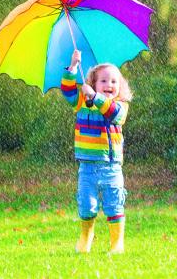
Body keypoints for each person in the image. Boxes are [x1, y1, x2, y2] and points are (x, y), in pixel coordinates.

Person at [61, 49, 132, 254]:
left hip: (111, 166)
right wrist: (73, 67)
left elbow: (113, 114)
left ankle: (117, 243)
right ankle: (86, 236)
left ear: (120, 86)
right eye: (103, 81)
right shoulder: (82, 103)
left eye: (113, 82)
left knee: (113, 203)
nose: (109, 85)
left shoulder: (120, 105)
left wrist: (97, 97)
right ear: (93, 82)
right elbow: (67, 91)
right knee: (87, 205)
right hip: (87, 167)